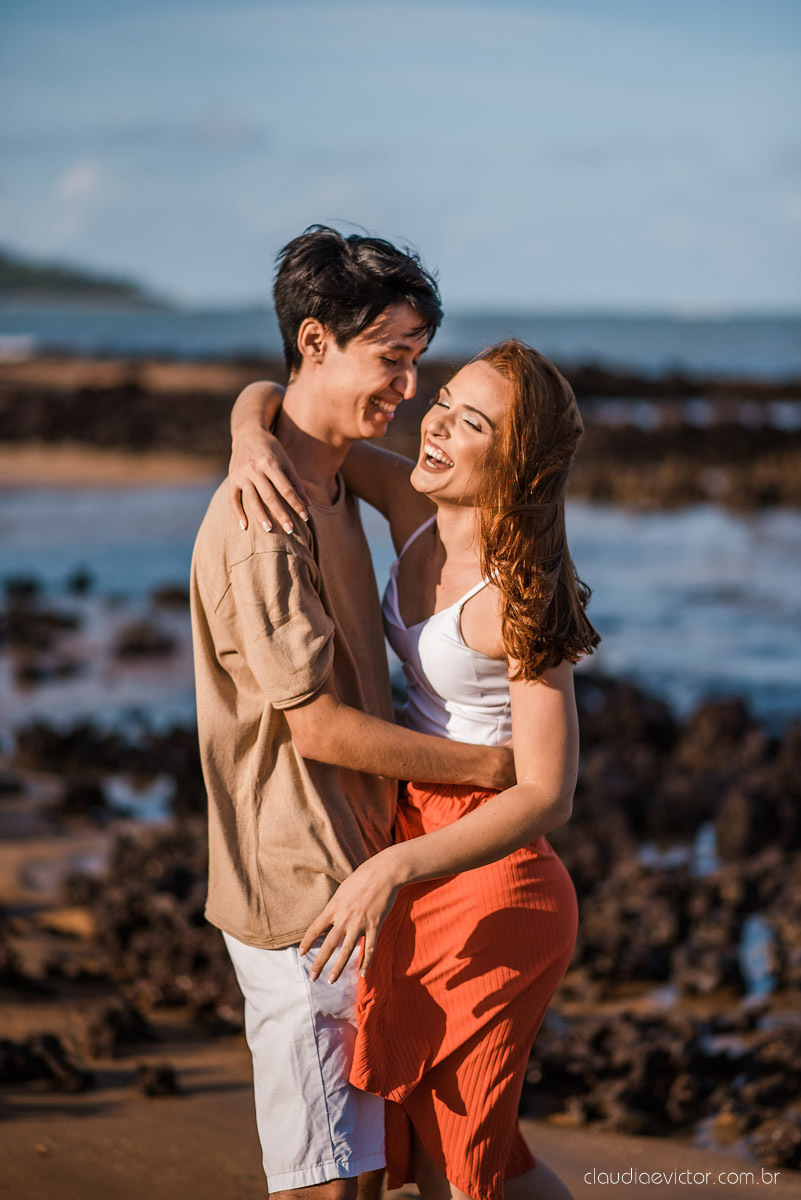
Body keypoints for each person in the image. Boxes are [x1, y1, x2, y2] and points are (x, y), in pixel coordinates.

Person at [228, 337, 600, 1200]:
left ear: (515, 464)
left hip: (492, 882)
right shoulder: (413, 505)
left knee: (454, 1157)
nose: (432, 426)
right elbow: (293, 415)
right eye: (442, 403)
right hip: (415, 843)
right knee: (480, 1152)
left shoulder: (516, 592)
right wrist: (249, 436)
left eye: (469, 423)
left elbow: (548, 792)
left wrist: (393, 867)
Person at [190, 226, 517, 1200]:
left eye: (417, 361)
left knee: (370, 1183)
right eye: (393, 357)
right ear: (316, 340)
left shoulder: (335, 476)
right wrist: (500, 774)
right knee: (328, 1189)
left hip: (353, 877)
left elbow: (285, 412)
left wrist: (250, 418)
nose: (408, 388)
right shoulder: (266, 522)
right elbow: (318, 728)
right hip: (296, 894)